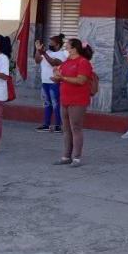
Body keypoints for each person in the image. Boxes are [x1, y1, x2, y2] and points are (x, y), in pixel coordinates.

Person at [52, 38, 94, 167]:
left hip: (78, 100)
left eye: (67, 47)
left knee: (76, 127)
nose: (65, 49)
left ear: (74, 48)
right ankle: (66, 156)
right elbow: (61, 76)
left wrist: (63, 77)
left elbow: (81, 80)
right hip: (65, 98)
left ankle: (77, 157)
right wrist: (57, 77)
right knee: (66, 129)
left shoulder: (83, 62)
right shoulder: (67, 62)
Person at [34, 34, 67, 133]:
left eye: (52, 42)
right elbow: (37, 60)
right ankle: (46, 125)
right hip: (45, 82)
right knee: (47, 104)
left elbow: (53, 62)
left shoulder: (63, 54)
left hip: (55, 83)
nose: (49, 43)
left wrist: (43, 53)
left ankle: (58, 125)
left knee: (56, 104)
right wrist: (38, 50)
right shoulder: (46, 52)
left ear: (57, 44)